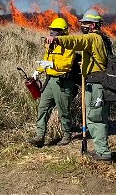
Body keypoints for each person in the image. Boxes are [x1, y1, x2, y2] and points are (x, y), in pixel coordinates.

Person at [45, 9, 113, 161]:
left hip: (96, 84)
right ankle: (103, 150)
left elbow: (76, 42)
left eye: (85, 23)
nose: (82, 26)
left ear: (94, 25)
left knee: (95, 117)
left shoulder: (92, 38)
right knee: (99, 116)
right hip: (102, 83)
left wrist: (58, 40)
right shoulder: (104, 39)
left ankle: (103, 152)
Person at [28, 17, 77, 148]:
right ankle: (40, 136)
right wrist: (38, 71)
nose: (51, 32)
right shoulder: (50, 44)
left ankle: (67, 134)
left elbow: (66, 65)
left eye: (54, 30)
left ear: (62, 32)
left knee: (63, 110)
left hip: (63, 82)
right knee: (43, 108)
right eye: (51, 30)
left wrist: (51, 64)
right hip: (50, 81)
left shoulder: (69, 45)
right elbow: (46, 59)